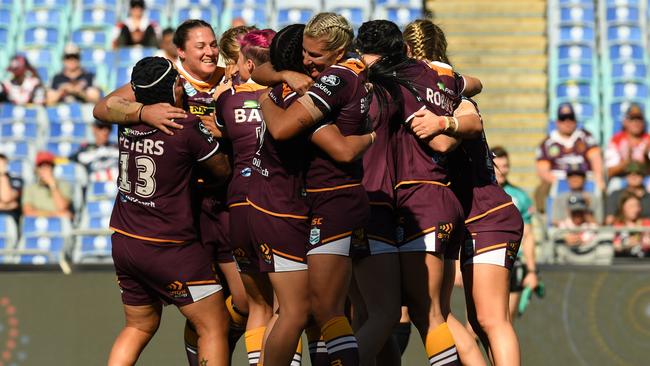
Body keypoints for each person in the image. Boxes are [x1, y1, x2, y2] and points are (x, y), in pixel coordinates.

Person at [95, 19, 249, 365]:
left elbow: (111, 110)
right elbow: (102, 107)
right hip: (174, 233)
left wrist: (139, 112)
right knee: (214, 321)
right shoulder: (177, 111)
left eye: (213, 44)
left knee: (143, 324)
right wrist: (147, 111)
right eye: (201, 46)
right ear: (180, 55)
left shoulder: (232, 75)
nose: (210, 51)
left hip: (131, 232)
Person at [253, 15, 376, 365]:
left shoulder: (336, 79)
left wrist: (264, 100)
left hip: (334, 199)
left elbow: (290, 131)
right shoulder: (346, 70)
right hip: (316, 201)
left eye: (315, 56)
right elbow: (259, 72)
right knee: (317, 311)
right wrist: (282, 76)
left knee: (324, 310)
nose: (308, 62)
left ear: (338, 50)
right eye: (304, 54)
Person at [214, 29, 277, 366]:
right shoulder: (286, 96)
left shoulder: (225, 98)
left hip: (238, 203)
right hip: (276, 205)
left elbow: (216, 129)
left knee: (257, 305)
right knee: (288, 307)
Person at [491, 146, 539, 322]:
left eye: (505, 166)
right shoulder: (478, 192)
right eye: (498, 166)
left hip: (512, 261)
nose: (502, 171)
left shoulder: (520, 196)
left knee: (506, 322)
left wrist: (532, 270)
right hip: (484, 260)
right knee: (477, 325)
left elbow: (528, 235)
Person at [535, 103, 604, 211]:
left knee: (601, 187)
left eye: (570, 118)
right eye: (563, 118)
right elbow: (542, 170)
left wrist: (599, 178)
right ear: (557, 122)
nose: (567, 122)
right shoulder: (547, 143)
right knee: (541, 190)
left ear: (575, 120)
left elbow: (596, 158)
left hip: (584, 178)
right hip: (558, 178)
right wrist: (558, 182)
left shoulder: (585, 137)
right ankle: (546, 220)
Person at [22, 151, 72, 218]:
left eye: (48, 166)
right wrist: (54, 214)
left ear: (53, 168)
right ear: (37, 169)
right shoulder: (30, 188)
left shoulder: (64, 185)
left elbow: (62, 207)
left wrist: (53, 185)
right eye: (41, 167)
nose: (44, 170)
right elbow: (28, 212)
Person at [605, 103, 650, 178]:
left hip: (644, 180)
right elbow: (609, 172)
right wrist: (627, 162)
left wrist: (646, 159)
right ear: (625, 122)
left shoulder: (648, 140)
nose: (636, 123)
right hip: (622, 180)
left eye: (639, 119)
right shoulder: (616, 140)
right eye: (632, 119)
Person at [611, 191, 650, 257]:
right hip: (623, 262)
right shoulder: (617, 226)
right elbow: (614, 246)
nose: (635, 209)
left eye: (637, 206)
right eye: (631, 206)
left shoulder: (647, 224)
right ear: (623, 207)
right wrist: (627, 244)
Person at [0, 154, 22, 223]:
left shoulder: (16, 180)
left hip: (11, 215)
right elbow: (10, 203)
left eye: (2, 164)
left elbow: (6, 198)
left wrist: (3, 176)